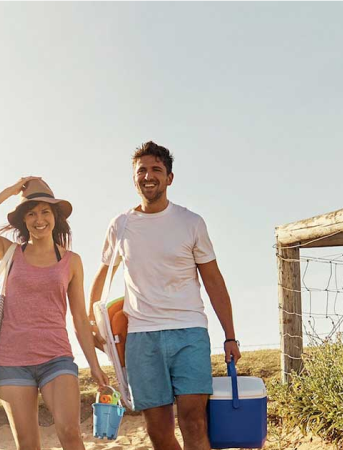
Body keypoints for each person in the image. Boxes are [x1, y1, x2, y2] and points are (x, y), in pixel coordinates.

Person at [89, 141, 240, 450]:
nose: (148, 175)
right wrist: (93, 325)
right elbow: (103, 276)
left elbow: (213, 280)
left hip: (189, 331)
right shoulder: (120, 226)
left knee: (193, 420)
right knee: (158, 429)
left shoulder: (191, 222)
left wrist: (230, 335)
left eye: (156, 169)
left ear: (169, 178)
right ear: (133, 178)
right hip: (141, 336)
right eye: (141, 170)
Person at [0, 176, 108, 450]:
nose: (38, 219)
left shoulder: (71, 261)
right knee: (28, 445)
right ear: (23, 220)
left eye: (44, 211)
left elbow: (79, 318)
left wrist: (94, 365)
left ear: (55, 216)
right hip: (12, 362)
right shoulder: (9, 252)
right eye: (30, 213)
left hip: (57, 358)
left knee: (70, 433)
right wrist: (9, 192)